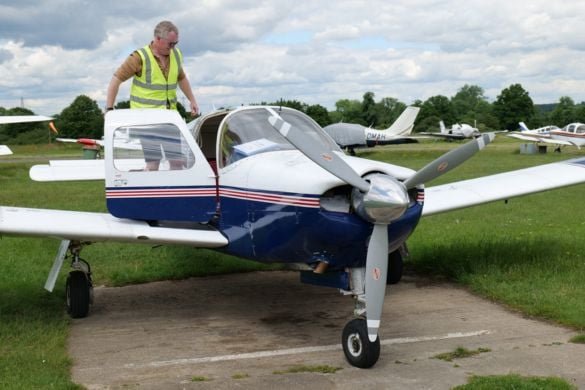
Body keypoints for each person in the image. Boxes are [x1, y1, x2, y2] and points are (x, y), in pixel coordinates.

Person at [105, 21, 198, 170]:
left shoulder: (176, 54)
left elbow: (181, 78)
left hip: (169, 120)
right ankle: (150, 192)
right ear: (158, 39)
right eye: (170, 44)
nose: (173, 47)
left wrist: (192, 100)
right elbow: (116, 79)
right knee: (153, 163)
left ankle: (174, 192)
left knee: (177, 162)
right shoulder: (139, 57)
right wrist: (109, 108)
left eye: (176, 43)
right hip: (146, 121)